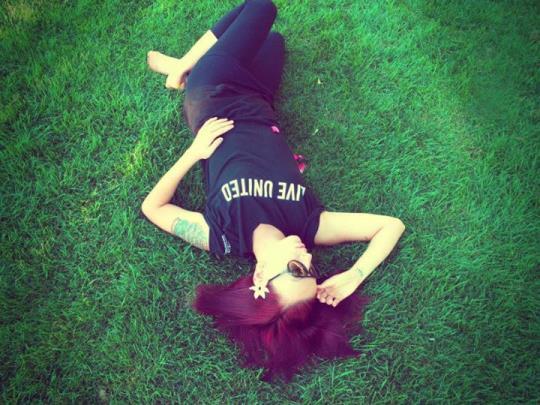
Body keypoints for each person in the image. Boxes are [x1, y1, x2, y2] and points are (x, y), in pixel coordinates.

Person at [142, 0, 406, 382]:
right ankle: (191, 66)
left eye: (296, 269)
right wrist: (354, 274)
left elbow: (153, 207)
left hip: (214, 95)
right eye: (312, 269)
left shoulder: (224, 235)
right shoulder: (308, 225)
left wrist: (193, 153)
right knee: (274, 43)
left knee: (263, 8)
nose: (307, 256)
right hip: (260, 102)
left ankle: (183, 67)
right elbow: (391, 225)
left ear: (261, 276)